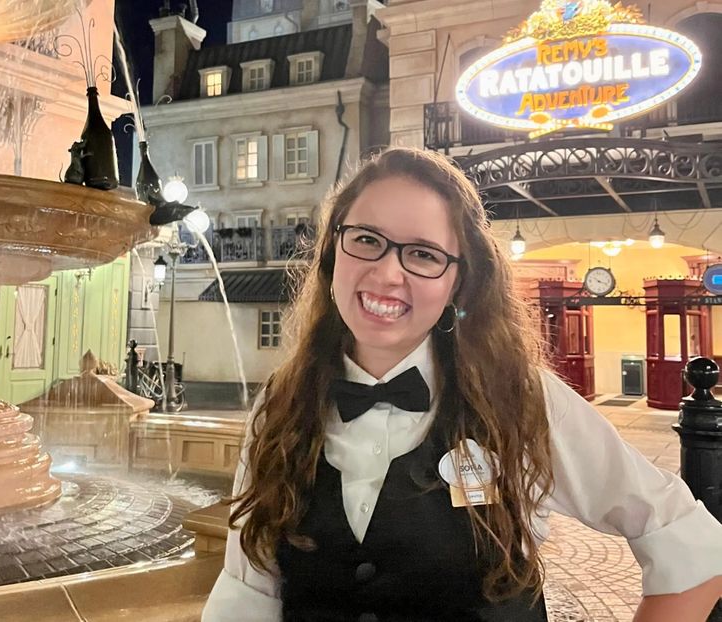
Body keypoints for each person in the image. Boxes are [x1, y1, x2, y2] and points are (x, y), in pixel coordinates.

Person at [202, 148, 722, 621]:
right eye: (366, 240)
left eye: (423, 254)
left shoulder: (519, 398)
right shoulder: (281, 402)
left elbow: (686, 540)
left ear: (459, 280)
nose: (387, 274)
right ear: (331, 253)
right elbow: (249, 589)